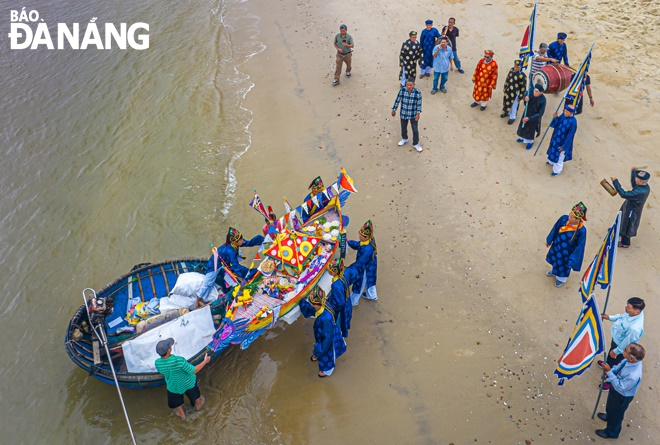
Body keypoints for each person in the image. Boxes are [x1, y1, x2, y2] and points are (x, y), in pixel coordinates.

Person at [595, 343, 645, 439]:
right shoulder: (629, 360)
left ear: (631, 358)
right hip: (616, 388)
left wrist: (609, 372)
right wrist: (610, 373)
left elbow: (620, 387)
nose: (623, 351)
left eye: (625, 350)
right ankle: (609, 416)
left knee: (617, 414)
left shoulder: (633, 375)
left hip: (622, 395)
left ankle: (611, 432)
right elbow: (619, 366)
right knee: (610, 406)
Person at [154, 338, 210, 419]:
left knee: (177, 403)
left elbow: (162, 372)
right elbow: (194, 370)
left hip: (173, 387)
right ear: (169, 350)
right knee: (195, 396)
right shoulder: (179, 360)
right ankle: (198, 407)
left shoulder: (157, 363)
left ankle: (182, 415)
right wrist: (205, 361)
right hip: (188, 383)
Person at [299, 286, 346, 378]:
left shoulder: (325, 319)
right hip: (324, 333)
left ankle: (327, 370)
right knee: (320, 346)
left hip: (328, 337)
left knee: (327, 353)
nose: (311, 305)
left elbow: (327, 339)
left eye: (312, 303)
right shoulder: (323, 305)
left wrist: (320, 350)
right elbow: (311, 309)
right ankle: (318, 354)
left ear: (317, 304)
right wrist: (302, 301)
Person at [600, 297, 645, 391]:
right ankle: (607, 365)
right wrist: (610, 317)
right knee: (610, 356)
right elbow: (623, 316)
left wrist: (617, 351)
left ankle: (608, 382)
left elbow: (626, 342)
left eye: (628, 307)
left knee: (616, 362)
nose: (626, 308)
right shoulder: (633, 313)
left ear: (637, 312)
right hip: (617, 339)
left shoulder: (634, 329)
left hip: (621, 347)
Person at [545, 202, 587, 288]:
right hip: (557, 246)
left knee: (563, 266)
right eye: (569, 215)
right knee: (555, 260)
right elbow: (555, 228)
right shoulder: (563, 219)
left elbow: (580, 247)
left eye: (571, 217)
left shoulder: (581, 231)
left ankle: (560, 279)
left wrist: (573, 260)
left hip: (567, 253)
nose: (569, 217)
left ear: (577, 220)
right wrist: (549, 240)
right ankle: (554, 271)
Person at [612, 168, 650, 248]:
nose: (635, 178)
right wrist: (633, 173)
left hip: (632, 211)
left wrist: (616, 183)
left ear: (639, 181)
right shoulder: (644, 186)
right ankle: (618, 230)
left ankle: (625, 242)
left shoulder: (640, 192)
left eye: (636, 177)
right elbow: (634, 184)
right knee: (622, 219)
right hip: (629, 206)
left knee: (627, 225)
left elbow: (624, 194)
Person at [326, 258, 361, 338]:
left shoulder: (336, 285)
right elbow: (355, 274)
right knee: (345, 320)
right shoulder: (346, 272)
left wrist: (329, 302)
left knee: (339, 323)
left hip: (342, 308)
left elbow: (340, 303)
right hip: (347, 299)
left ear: (333, 272)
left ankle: (340, 338)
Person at [348, 220, 378, 305]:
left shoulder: (367, 249)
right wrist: (349, 242)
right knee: (370, 280)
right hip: (371, 265)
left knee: (359, 284)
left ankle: (354, 301)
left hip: (365, 267)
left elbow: (360, 262)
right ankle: (372, 295)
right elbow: (358, 244)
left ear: (367, 237)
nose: (360, 237)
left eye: (362, 236)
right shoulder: (368, 241)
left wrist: (349, 268)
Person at [391, 78, 423, 152]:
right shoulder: (402, 91)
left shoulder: (417, 93)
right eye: (407, 85)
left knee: (415, 129)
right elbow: (397, 100)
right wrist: (394, 109)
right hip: (403, 113)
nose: (408, 86)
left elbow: (419, 104)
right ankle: (404, 139)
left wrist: (418, 114)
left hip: (413, 114)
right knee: (403, 127)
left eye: (410, 85)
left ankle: (416, 143)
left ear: (414, 85)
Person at [546, 104, 577, 177]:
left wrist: (564, 146)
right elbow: (557, 123)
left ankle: (557, 170)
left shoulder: (573, 122)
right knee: (552, 150)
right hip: (556, 138)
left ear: (571, 113)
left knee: (560, 157)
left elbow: (570, 136)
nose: (565, 113)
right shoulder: (563, 115)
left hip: (562, 143)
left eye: (567, 112)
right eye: (564, 111)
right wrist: (555, 117)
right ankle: (551, 161)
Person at [515, 84, 547, 149]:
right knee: (523, 127)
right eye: (534, 90)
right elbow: (526, 104)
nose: (534, 92)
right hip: (527, 113)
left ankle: (530, 142)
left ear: (541, 92)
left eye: (537, 91)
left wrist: (529, 118)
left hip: (534, 118)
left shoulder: (543, 100)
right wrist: (525, 99)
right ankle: (522, 137)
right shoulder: (530, 93)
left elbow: (540, 113)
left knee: (531, 130)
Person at [500, 59, 527, 124]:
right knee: (506, 102)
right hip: (508, 90)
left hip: (516, 93)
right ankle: (506, 112)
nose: (515, 68)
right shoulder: (511, 70)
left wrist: (520, 96)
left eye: (517, 67)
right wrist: (505, 87)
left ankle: (512, 117)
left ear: (520, 67)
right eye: (514, 66)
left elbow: (523, 87)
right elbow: (507, 79)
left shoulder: (522, 75)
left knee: (514, 105)